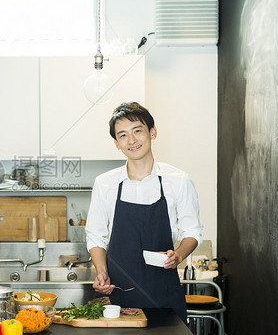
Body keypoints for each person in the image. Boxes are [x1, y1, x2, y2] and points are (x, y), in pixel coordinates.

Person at [85, 101, 202, 321]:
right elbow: (95, 236)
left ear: (152, 132)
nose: (131, 140)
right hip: (117, 298)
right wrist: (102, 273)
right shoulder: (105, 184)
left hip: (164, 296)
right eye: (123, 135)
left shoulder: (178, 181)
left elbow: (192, 231)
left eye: (137, 131)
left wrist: (178, 255)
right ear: (116, 143)